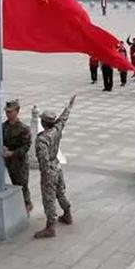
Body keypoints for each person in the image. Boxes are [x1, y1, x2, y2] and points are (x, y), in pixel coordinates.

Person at [34, 95, 76, 238]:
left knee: (49, 198)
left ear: (43, 122)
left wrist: (45, 175)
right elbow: (63, 119)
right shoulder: (57, 129)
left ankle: (50, 226)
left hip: (49, 171)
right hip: (57, 167)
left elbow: (43, 160)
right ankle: (67, 213)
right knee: (60, 192)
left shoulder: (42, 140)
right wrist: (69, 106)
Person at [1, 100, 32, 214]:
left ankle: (27, 205)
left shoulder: (24, 128)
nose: (8, 114)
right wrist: (3, 146)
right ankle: (19, 205)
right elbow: (0, 140)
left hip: (20, 162)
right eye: (7, 111)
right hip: (9, 162)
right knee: (14, 184)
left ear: (17, 111)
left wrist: (13, 153)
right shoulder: (3, 127)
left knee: (23, 185)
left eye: (10, 111)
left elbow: (26, 146)